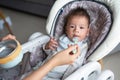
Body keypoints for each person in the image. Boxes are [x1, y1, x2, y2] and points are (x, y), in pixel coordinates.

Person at [40, 7, 90, 80]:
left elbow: (75, 65)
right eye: (72, 27)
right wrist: (47, 47)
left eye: (81, 28)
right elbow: (50, 53)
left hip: (57, 76)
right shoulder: (61, 39)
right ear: (66, 29)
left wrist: (66, 78)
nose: (76, 30)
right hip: (43, 68)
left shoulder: (82, 47)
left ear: (87, 32)